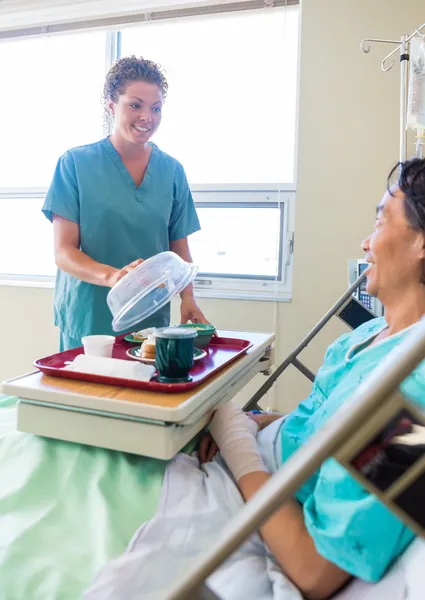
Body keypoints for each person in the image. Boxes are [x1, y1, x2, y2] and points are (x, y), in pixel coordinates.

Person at [1, 158, 425, 600]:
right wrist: (252, 421)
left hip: (239, 489)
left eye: (381, 220)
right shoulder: (369, 338)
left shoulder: (411, 392)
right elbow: (327, 429)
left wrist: (241, 451)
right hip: (242, 454)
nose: (365, 240)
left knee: (51, 490)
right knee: (43, 438)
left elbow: (315, 571)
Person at [42, 56, 208, 351]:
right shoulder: (75, 164)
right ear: (111, 105)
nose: (147, 117)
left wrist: (188, 298)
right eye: (135, 105)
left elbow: (178, 248)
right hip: (90, 318)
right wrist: (114, 276)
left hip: (149, 318)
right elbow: (63, 252)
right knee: (89, 395)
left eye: (155, 108)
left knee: (145, 394)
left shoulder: (172, 171)